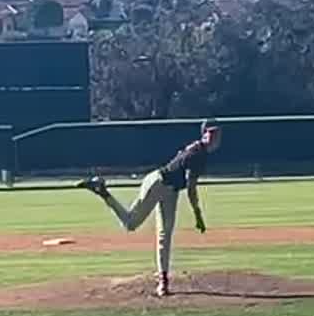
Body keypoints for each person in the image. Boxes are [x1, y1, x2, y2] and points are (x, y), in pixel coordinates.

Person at [76, 119, 219, 298]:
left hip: (171, 190)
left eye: (217, 133)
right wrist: (197, 215)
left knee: (165, 235)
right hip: (158, 183)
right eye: (210, 133)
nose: (214, 137)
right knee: (131, 223)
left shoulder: (198, 150)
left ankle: (163, 281)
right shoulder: (197, 153)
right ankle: (102, 190)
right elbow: (190, 187)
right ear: (203, 133)